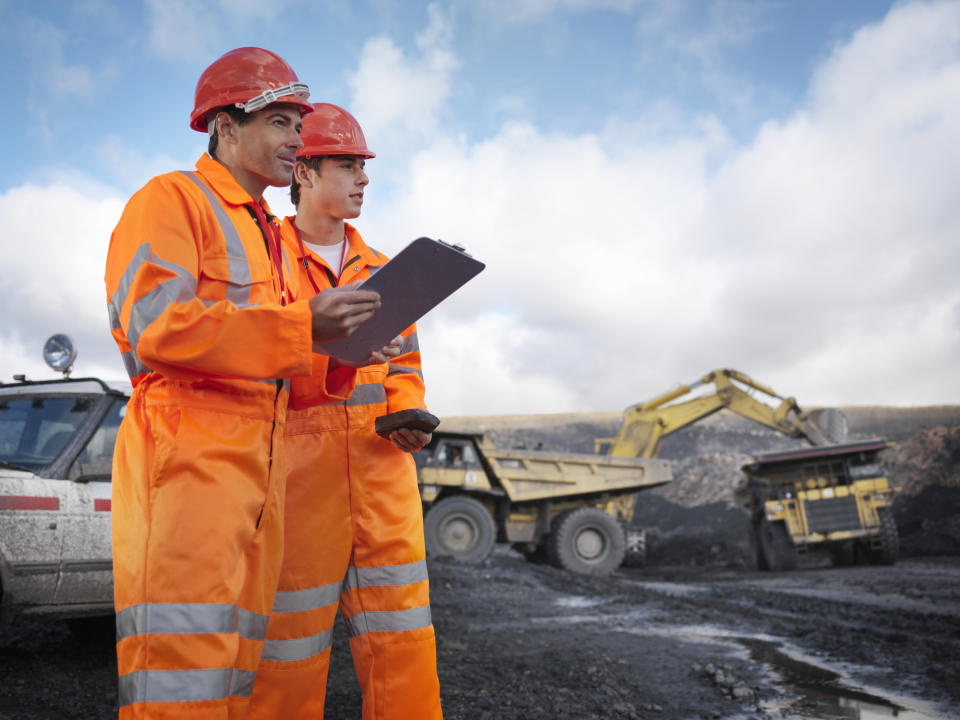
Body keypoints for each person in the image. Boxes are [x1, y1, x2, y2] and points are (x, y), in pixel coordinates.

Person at [104, 49, 388, 720]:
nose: (298, 139)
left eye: (299, 124)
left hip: (258, 483)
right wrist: (298, 328)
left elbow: (287, 368)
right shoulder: (171, 200)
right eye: (282, 122)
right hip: (187, 471)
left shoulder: (265, 235)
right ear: (226, 128)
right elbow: (153, 326)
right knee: (177, 681)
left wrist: (345, 353)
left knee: (234, 684)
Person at [246, 103, 443, 720]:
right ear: (303, 172)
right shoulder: (265, 258)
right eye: (348, 165)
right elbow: (253, 358)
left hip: (384, 476)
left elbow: (405, 367)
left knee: (405, 644)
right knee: (288, 654)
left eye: (364, 167)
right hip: (300, 482)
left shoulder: (386, 270)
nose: (363, 179)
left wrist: (408, 414)